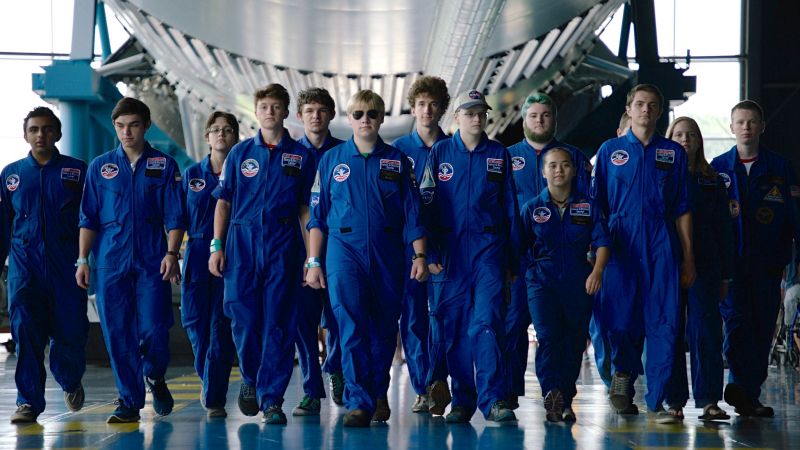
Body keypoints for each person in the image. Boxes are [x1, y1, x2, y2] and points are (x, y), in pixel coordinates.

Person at [306, 89, 428, 427]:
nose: (365, 120)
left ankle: (377, 391)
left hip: (388, 253)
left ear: (381, 118)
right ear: (349, 118)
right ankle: (358, 401)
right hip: (343, 252)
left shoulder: (398, 162)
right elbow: (317, 216)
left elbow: (413, 214)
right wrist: (313, 262)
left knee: (385, 326)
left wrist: (419, 255)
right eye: (358, 114)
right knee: (350, 322)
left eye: (371, 114)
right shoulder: (330, 161)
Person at [208, 83, 315, 424]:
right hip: (242, 243)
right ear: (256, 113)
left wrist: (312, 257)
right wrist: (217, 246)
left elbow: (305, 210)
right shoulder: (239, 154)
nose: (270, 111)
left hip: (284, 244)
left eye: (276, 106)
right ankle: (251, 379)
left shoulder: (301, 156)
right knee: (244, 319)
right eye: (264, 106)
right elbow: (223, 202)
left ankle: (272, 399)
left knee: (279, 322)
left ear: (286, 112)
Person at [590, 84, 695, 423]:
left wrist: (688, 256)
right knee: (619, 319)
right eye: (639, 104)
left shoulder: (673, 153)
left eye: (652, 105)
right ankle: (623, 372)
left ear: (659, 111)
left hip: (661, 243)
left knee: (663, 321)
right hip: (620, 244)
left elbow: (681, 207)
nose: (646, 110)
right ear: (629, 108)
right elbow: (597, 208)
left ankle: (661, 399)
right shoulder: (609, 151)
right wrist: (598, 252)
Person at [76, 97, 184, 423]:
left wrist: (171, 253)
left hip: (153, 259)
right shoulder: (100, 168)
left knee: (154, 328)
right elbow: (88, 218)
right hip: (110, 261)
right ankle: (129, 400)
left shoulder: (164, 166)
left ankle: (154, 374)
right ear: (115, 127)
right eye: (121, 126)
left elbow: (175, 216)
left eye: (134, 125)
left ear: (146, 125)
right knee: (117, 332)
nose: (127, 132)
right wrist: (82, 259)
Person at [420, 89, 520, 423]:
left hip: (489, 250)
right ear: (457, 118)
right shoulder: (440, 154)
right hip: (450, 254)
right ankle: (463, 399)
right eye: (470, 113)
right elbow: (426, 205)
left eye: (481, 113)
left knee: (488, 322)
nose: (477, 118)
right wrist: (430, 251)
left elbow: (510, 209)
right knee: (456, 327)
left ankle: (493, 400)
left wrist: (513, 260)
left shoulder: (499, 155)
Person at [710, 100, 800, 417]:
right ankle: (739, 385)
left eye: (752, 122)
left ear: (762, 127)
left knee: (761, 328)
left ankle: (750, 393)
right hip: (730, 266)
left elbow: (795, 217)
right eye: (740, 122)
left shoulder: (780, 168)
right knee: (736, 324)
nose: (746, 127)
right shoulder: (717, 168)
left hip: (767, 264)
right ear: (732, 127)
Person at [0, 107, 88, 423]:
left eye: (48, 129)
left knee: (70, 334)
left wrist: (88, 261)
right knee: (27, 335)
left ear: (58, 133)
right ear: (26, 134)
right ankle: (28, 403)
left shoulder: (77, 172)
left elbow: (90, 221)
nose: (41, 135)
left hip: (66, 268)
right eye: (35, 129)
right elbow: (2, 225)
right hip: (25, 271)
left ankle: (70, 378)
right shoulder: (11, 175)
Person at [504, 91, 592, 408]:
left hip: (566, 262)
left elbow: (588, 206)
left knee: (565, 332)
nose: (539, 120)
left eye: (545, 115)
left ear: (554, 119)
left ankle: (559, 393)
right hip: (522, 259)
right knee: (513, 326)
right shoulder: (506, 157)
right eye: (533, 115)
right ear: (523, 119)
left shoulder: (575, 158)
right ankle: (508, 393)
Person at [521, 147, 610, 422]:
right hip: (542, 284)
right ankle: (551, 394)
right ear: (543, 171)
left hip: (578, 282)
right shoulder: (533, 208)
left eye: (564, 165)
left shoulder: (588, 206)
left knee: (573, 340)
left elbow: (603, 242)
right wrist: (529, 275)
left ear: (573, 170)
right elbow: (519, 247)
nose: (558, 170)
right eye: (552, 166)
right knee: (548, 338)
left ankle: (566, 398)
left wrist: (596, 272)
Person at [662, 116, 734, 421]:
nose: (685, 140)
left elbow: (725, 229)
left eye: (691, 135)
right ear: (670, 138)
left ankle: (709, 400)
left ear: (699, 141)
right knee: (672, 330)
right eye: (679, 134)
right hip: (668, 262)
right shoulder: (661, 177)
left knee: (706, 331)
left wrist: (726, 273)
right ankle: (673, 400)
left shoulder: (712, 179)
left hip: (706, 264)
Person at [391, 75, 451, 414]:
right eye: (421, 105)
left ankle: (438, 378)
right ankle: (423, 387)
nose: (427, 110)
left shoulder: (454, 148)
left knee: (440, 318)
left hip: (445, 248)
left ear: (441, 109)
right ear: (413, 109)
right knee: (412, 320)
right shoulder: (399, 151)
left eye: (433, 105)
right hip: (408, 249)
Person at [180, 111, 239, 418]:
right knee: (193, 321)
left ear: (236, 136)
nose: (221, 134)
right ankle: (208, 376)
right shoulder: (191, 175)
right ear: (206, 137)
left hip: (231, 254)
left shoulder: (243, 172)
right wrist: (172, 253)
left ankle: (214, 397)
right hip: (196, 251)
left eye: (227, 130)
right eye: (215, 129)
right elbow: (176, 219)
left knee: (221, 324)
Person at [293, 87, 344, 415]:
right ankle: (312, 389)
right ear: (300, 116)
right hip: (299, 252)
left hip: (340, 251)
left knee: (339, 316)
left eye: (322, 110)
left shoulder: (344, 153)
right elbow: (298, 207)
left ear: (331, 115)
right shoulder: (291, 156)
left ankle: (336, 370)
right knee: (303, 321)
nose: (316, 116)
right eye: (309, 110)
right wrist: (308, 255)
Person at [589, 110, 631, 391]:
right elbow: (595, 206)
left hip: (645, 251)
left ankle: (624, 375)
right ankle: (611, 377)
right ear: (619, 133)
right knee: (602, 322)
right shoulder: (606, 159)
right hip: (608, 248)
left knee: (630, 321)